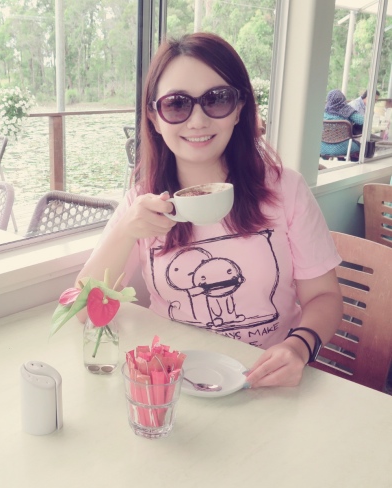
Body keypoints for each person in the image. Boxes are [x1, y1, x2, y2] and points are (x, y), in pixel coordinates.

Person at [77, 33, 343, 389]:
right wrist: (126, 231)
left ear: (239, 109)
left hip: (265, 380)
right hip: (175, 383)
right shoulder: (142, 203)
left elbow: (324, 296)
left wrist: (299, 346)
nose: (198, 121)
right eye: (176, 105)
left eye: (217, 99)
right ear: (154, 117)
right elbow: (84, 310)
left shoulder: (286, 190)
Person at [321, 89, 364, 160]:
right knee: (360, 147)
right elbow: (363, 121)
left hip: (323, 147)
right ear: (343, 99)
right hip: (344, 147)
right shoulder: (347, 110)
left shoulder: (323, 112)